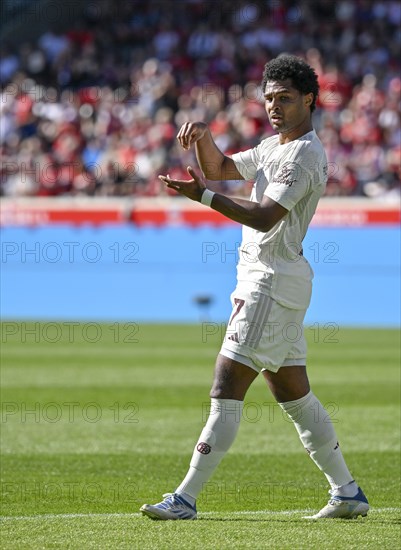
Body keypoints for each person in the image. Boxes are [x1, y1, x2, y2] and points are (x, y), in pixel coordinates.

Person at [140, 54, 369, 520]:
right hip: (270, 279)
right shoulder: (273, 146)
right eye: (269, 98)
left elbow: (265, 216)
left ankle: (185, 498)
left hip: (270, 279)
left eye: (284, 98)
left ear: (309, 99)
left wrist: (202, 196)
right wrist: (204, 138)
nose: (274, 107)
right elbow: (223, 166)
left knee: (227, 382)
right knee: (294, 395)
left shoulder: (306, 152)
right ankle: (347, 492)